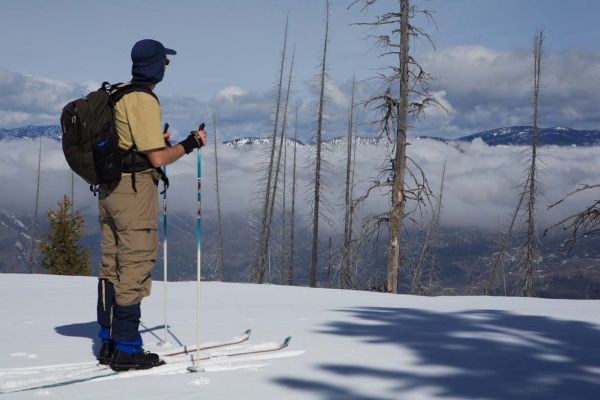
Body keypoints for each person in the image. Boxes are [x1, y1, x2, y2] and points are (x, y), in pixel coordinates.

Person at [95, 39, 206, 371]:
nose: (166, 68)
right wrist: (189, 144)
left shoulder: (117, 93)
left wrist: (159, 141)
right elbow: (157, 157)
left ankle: (108, 341)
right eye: (165, 63)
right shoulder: (143, 99)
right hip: (133, 192)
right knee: (134, 264)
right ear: (156, 66)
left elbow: (134, 142)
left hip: (110, 190)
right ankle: (127, 348)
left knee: (111, 264)